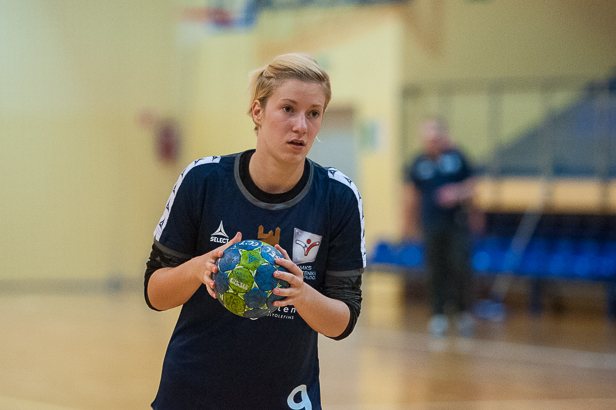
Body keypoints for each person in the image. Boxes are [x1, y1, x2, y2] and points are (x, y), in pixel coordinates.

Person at [144, 52, 366, 410]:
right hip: (192, 393)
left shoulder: (338, 197)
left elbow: (343, 321)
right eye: (288, 109)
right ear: (257, 111)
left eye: (314, 113)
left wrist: (300, 294)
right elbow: (155, 294)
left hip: (288, 397)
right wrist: (199, 268)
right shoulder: (203, 180)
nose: (301, 126)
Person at [402, 116, 477, 339]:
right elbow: (412, 196)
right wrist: (408, 226)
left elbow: (473, 187)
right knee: (435, 270)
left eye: (436, 132)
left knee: (459, 267)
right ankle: (438, 315)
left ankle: (461, 313)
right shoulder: (418, 162)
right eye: (428, 133)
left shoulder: (457, 157)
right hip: (430, 226)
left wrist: (457, 193)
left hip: (457, 225)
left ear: (443, 134)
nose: (432, 138)